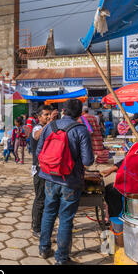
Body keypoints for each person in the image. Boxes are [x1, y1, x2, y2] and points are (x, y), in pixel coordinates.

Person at [36, 99, 94, 265]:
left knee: (48, 212)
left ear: (63, 111)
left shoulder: (50, 126)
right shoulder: (81, 130)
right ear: (79, 114)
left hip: (49, 178)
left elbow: (39, 151)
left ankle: (44, 248)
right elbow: (88, 160)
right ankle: (61, 258)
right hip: (70, 181)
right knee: (66, 218)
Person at [31, 105, 52, 239]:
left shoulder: (49, 128)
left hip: (48, 168)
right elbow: (37, 136)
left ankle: (43, 225)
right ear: (39, 117)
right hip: (39, 169)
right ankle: (36, 228)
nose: (49, 117)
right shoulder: (37, 128)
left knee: (47, 199)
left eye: (50, 114)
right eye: (46, 115)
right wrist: (49, 123)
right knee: (40, 199)